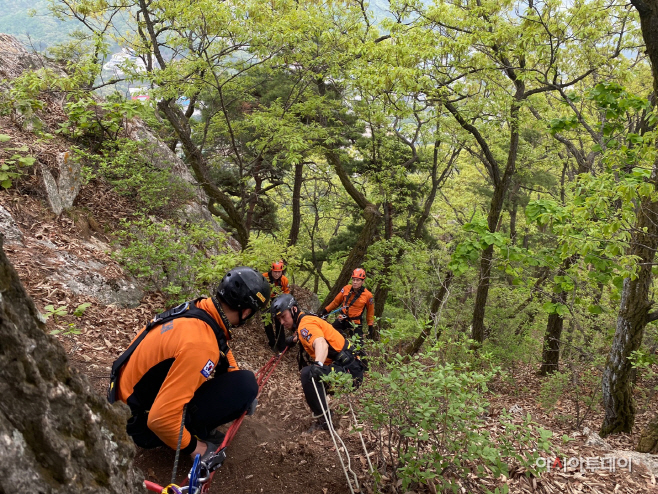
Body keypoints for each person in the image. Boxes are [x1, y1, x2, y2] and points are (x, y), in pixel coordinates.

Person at [107, 267, 270, 460]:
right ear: (247, 311)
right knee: (246, 385)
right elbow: (160, 419)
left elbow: (222, 345)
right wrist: (197, 448)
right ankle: (191, 434)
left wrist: (232, 373)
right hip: (141, 425)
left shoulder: (199, 309)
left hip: (124, 400)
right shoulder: (201, 345)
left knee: (240, 382)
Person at [271, 294, 365, 431]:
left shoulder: (305, 324)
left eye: (283, 316)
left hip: (349, 373)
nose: (282, 322)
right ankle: (324, 413)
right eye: (278, 319)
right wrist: (294, 339)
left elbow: (321, 343)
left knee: (308, 374)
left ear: (294, 310)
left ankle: (325, 420)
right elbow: (309, 333)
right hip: (350, 368)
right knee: (311, 374)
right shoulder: (306, 320)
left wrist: (318, 365)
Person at [319, 268, 374, 340]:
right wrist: (325, 311)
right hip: (342, 319)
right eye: (353, 280)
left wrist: (370, 326)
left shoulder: (368, 295)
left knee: (359, 346)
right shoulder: (346, 289)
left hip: (355, 323)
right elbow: (335, 302)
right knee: (329, 335)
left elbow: (370, 312)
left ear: (363, 281)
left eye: (358, 280)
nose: (355, 282)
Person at [262, 260, 290, 353]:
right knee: (267, 324)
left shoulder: (284, 280)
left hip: (278, 301)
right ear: (271, 271)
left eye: (279, 272)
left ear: (282, 272)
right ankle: (272, 343)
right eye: (275, 272)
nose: (277, 274)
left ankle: (281, 345)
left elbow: (286, 293)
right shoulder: (264, 277)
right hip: (266, 300)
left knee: (279, 322)